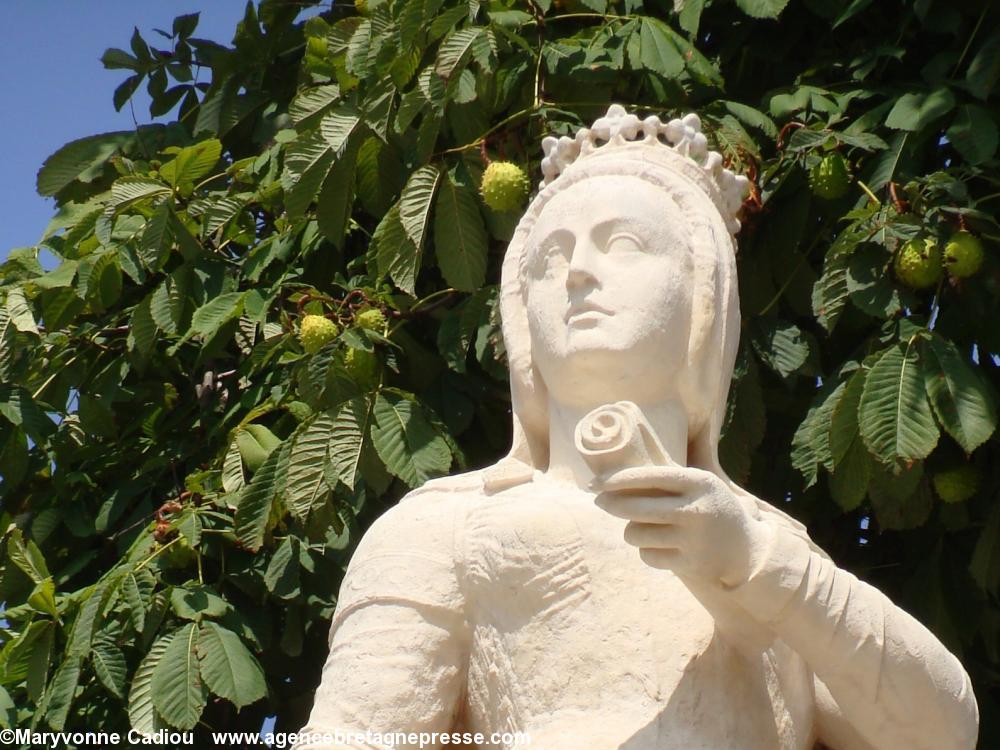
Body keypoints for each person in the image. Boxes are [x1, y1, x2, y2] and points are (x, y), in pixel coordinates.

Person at [297, 106, 979, 749]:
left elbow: (942, 733)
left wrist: (762, 567)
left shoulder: (768, 548)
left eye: (622, 244)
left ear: (703, 301)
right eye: (551, 259)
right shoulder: (444, 527)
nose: (579, 276)